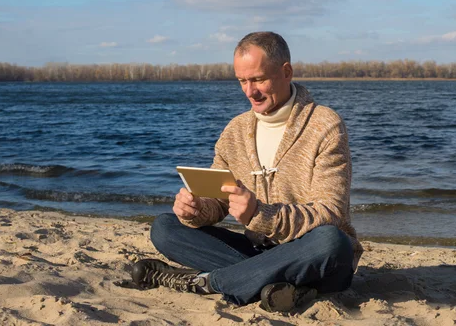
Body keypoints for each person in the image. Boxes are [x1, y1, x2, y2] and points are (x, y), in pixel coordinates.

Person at [130, 31, 363, 312]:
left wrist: (259, 214)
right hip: (257, 251)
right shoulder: (235, 131)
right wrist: (195, 210)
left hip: (313, 252)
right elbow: (217, 202)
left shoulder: (325, 124)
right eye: (242, 80)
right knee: (165, 228)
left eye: (258, 79)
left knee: (331, 241)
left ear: (286, 71)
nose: (249, 91)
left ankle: (208, 282)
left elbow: (331, 212)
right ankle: (281, 286)